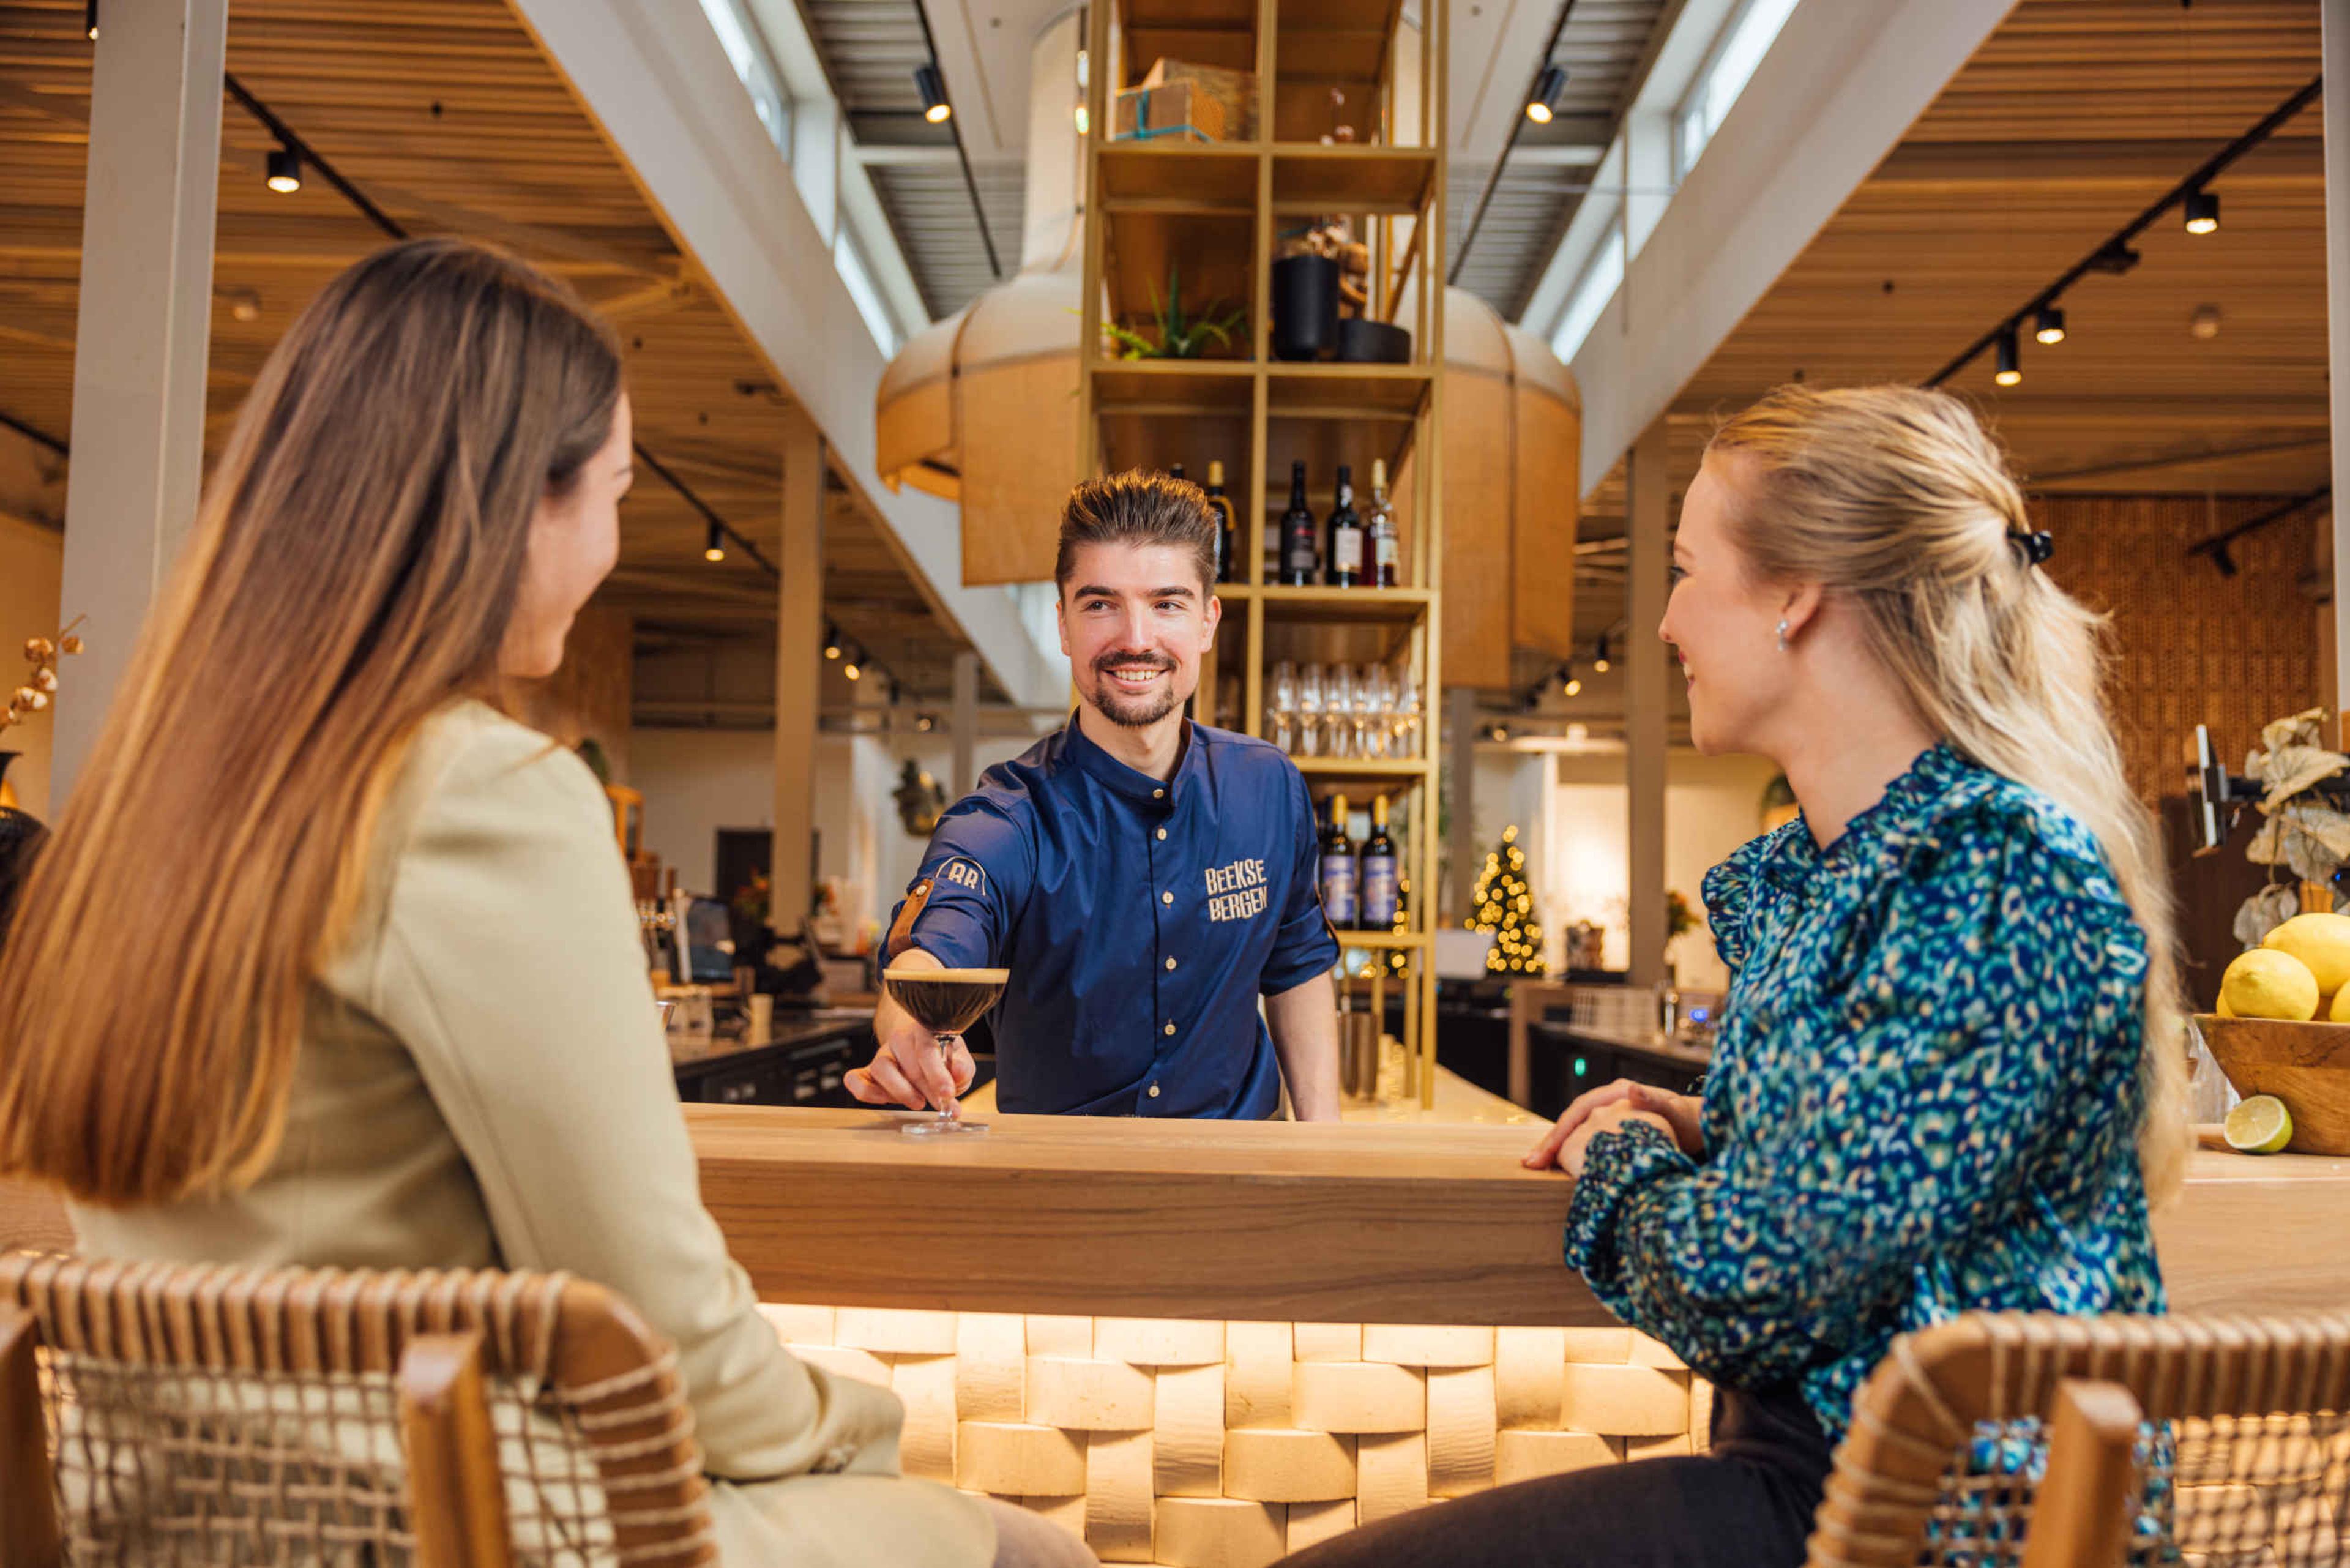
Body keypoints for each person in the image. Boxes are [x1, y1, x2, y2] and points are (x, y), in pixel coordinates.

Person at [0, 239, 1091, 1568]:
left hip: (193, 1532)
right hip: (464, 1527)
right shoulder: (480, 792)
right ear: (515, 504)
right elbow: (655, 1315)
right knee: (1035, 1551)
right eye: (614, 494)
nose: (614, 547)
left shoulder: (148, 799)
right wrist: (857, 1424)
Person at [1278, 384, 2190, 1568]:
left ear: (1795, 595)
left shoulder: (1991, 865)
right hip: (1839, 1489)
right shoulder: (1866, 866)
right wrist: (1720, 1127)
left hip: (1932, 1525)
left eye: (1685, 569)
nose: (1664, 621)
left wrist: (1625, 1155)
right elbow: (1916, 1158)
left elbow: (1755, 1287)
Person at [849, 471, 1343, 1122]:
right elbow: (936, 943)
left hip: (1239, 1169)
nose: (1135, 638)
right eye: (1101, 604)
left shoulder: (1269, 787)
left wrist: (1323, 1146)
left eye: (1167, 604)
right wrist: (911, 1028)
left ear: (1207, 622)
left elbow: (1297, 964)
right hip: (1059, 1177)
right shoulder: (1009, 816)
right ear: (1064, 625)